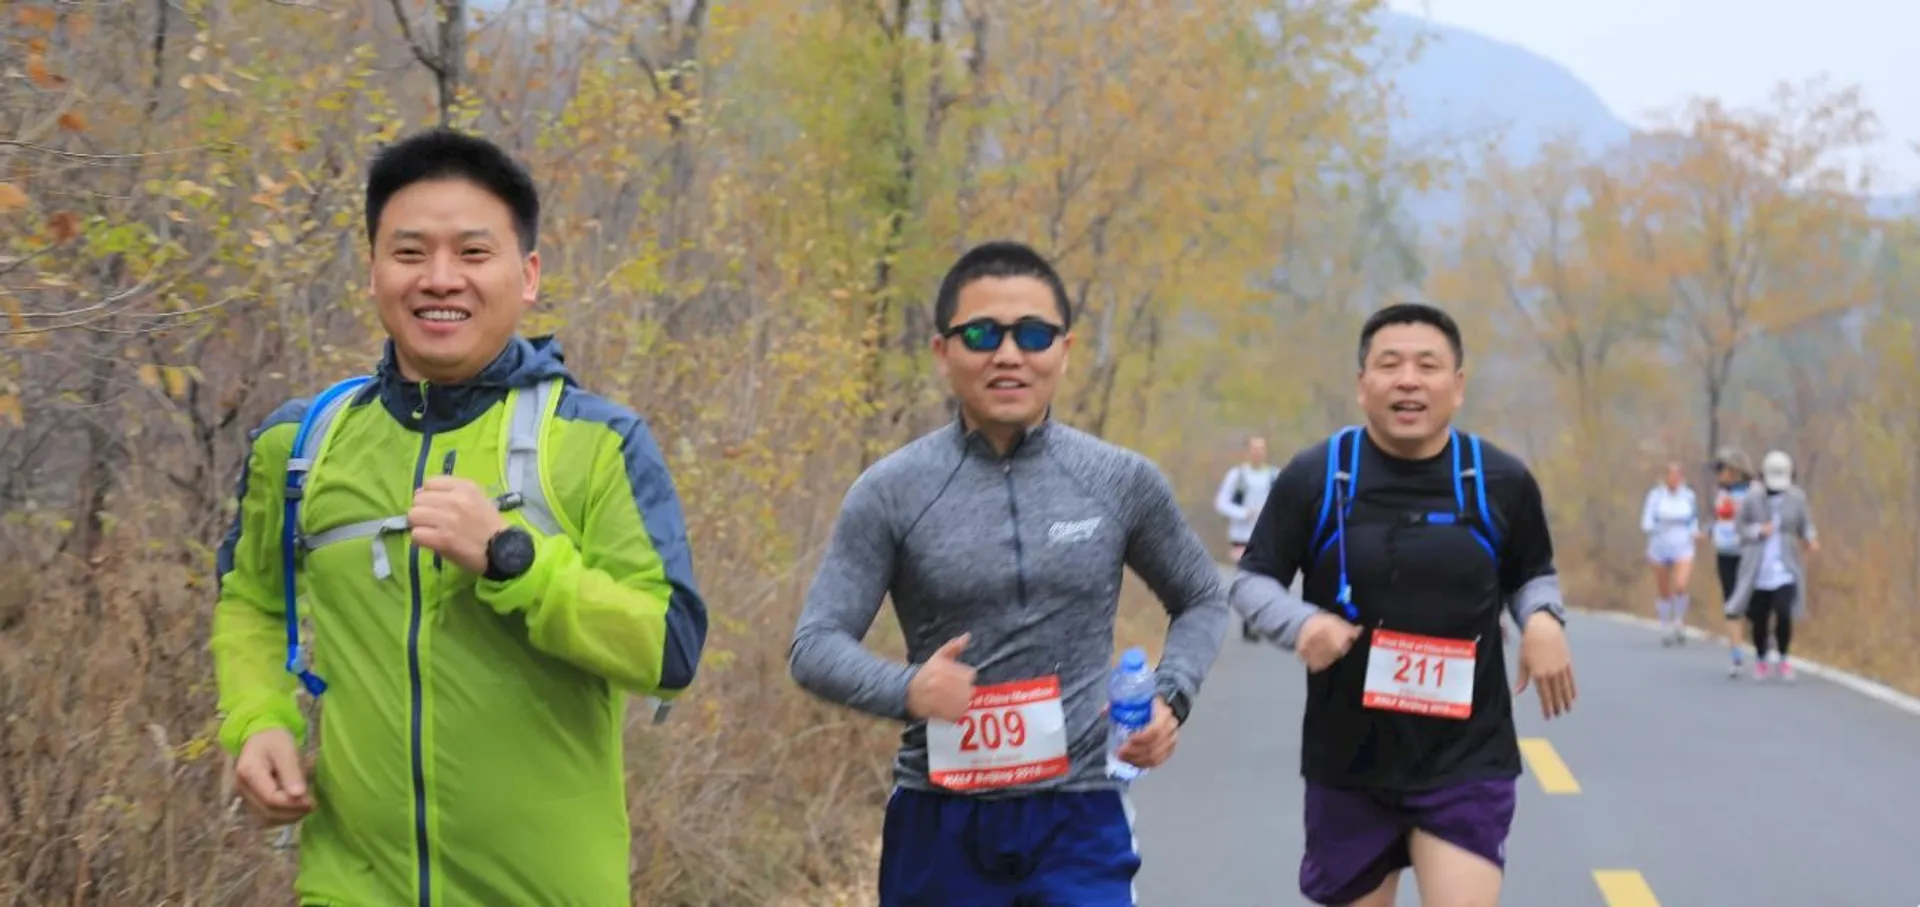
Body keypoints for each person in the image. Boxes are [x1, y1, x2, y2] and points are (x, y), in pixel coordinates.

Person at [209, 127, 709, 906]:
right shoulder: (302, 444)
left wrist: (518, 559)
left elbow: (670, 645)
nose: (440, 279)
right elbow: (252, 603)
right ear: (372, 269)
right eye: (410, 253)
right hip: (349, 886)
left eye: (474, 253)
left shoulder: (596, 442)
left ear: (528, 273)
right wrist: (259, 720)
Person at [787, 240, 1229, 907]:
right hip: (941, 816)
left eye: (1032, 334)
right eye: (982, 334)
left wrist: (1171, 697)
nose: (1008, 354)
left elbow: (1200, 595)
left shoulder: (1120, 479)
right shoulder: (891, 491)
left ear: (1065, 348)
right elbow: (814, 645)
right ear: (943, 352)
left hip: (1079, 811)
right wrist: (909, 688)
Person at [1229, 302, 1575, 907]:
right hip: (1349, 764)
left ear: (1458, 387)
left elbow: (1531, 575)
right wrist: (1300, 623)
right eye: (1389, 365)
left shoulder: (1499, 480)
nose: (1409, 380)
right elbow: (1252, 581)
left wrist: (1543, 618)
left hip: (1467, 759)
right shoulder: (1317, 477)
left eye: (1428, 365)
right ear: (1363, 386)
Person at [1725, 449, 1819, 682]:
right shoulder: (1751, 498)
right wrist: (1758, 531)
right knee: (1759, 616)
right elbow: (1739, 528)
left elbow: (1805, 524)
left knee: (1784, 611)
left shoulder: (1797, 498)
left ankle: (1784, 658)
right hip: (1758, 567)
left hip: (1785, 565)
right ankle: (1761, 658)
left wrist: (1810, 538)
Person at [1216, 434, 1280, 641]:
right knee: (1246, 578)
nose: (1257, 453)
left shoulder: (1274, 476)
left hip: (1266, 536)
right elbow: (1221, 502)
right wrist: (1244, 513)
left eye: (1261, 448)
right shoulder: (1237, 476)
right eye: (1254, 448)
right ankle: (1247, 619)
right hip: (1241, 536)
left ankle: (1254, 619)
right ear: (1247, 451)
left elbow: (1285, 504)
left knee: (1263, 579)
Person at [1640, 461, 1702, 646]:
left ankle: (1679, 621)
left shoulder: (1688, 496)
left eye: (1677, 475)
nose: (1674, 479)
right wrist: (1656, 528)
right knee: (1664, 590)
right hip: (1659, 546)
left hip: (1683, 545)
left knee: (1681, 585)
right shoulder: (1656, 496)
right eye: (1671, 475)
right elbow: (1646, 521)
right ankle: (1665, 625)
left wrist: (1696, 533)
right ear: (1665, 477)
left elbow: (1693, 520)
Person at [1709, 446, 1756, 676]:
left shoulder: (1753, 493)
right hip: (1725, 553)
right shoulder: (1720, 494)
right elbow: (1718, 521)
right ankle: (1736, 654)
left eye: (1722, 468)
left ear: (1736, 471)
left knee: (1751, 603)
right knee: (1731, 604)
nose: (1719, 474)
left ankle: (1757, 645)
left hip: (1747, 553)